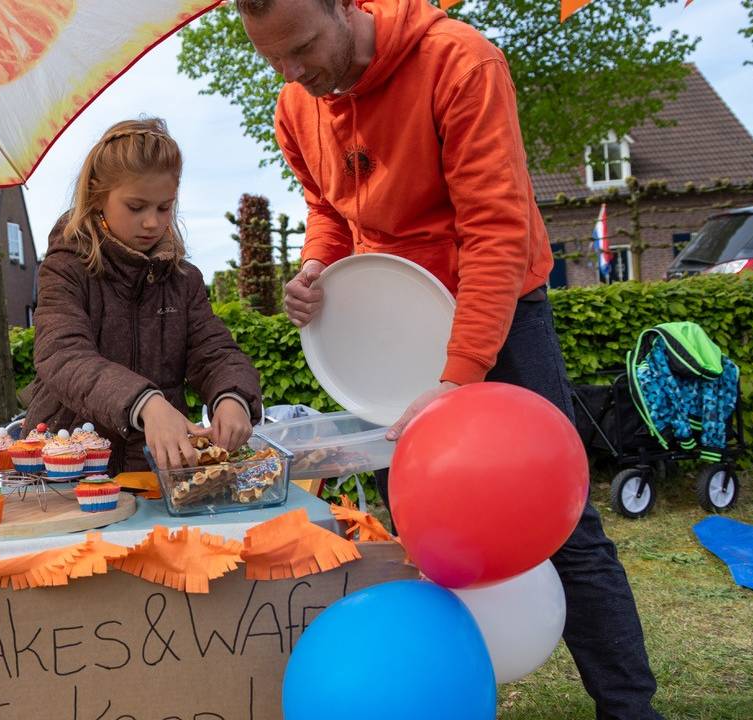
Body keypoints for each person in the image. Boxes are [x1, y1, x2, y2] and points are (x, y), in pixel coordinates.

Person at [237, 0, 663, 717]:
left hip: (498, 308)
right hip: (399, 323)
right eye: (273, 59)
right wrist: (315, 268)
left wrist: (458, 377)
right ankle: (445, 692)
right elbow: (328, 209)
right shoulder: (294, 104)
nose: (293, 72)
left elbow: (496, 230)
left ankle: (630, 709)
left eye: (303, 47)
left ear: (346, 7)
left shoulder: (461, 61)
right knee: (428, 530)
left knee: (557, 519)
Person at [21, 118, 263, 473]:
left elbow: (214, 352)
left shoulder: (183, 279)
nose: (152, 222)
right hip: (69, 466)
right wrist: (146, 403)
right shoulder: (65, 268)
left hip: (160, 471)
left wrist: (233, 396)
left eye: (164, 207)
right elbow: (62, 355)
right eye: (136, 207)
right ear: (97, 195)